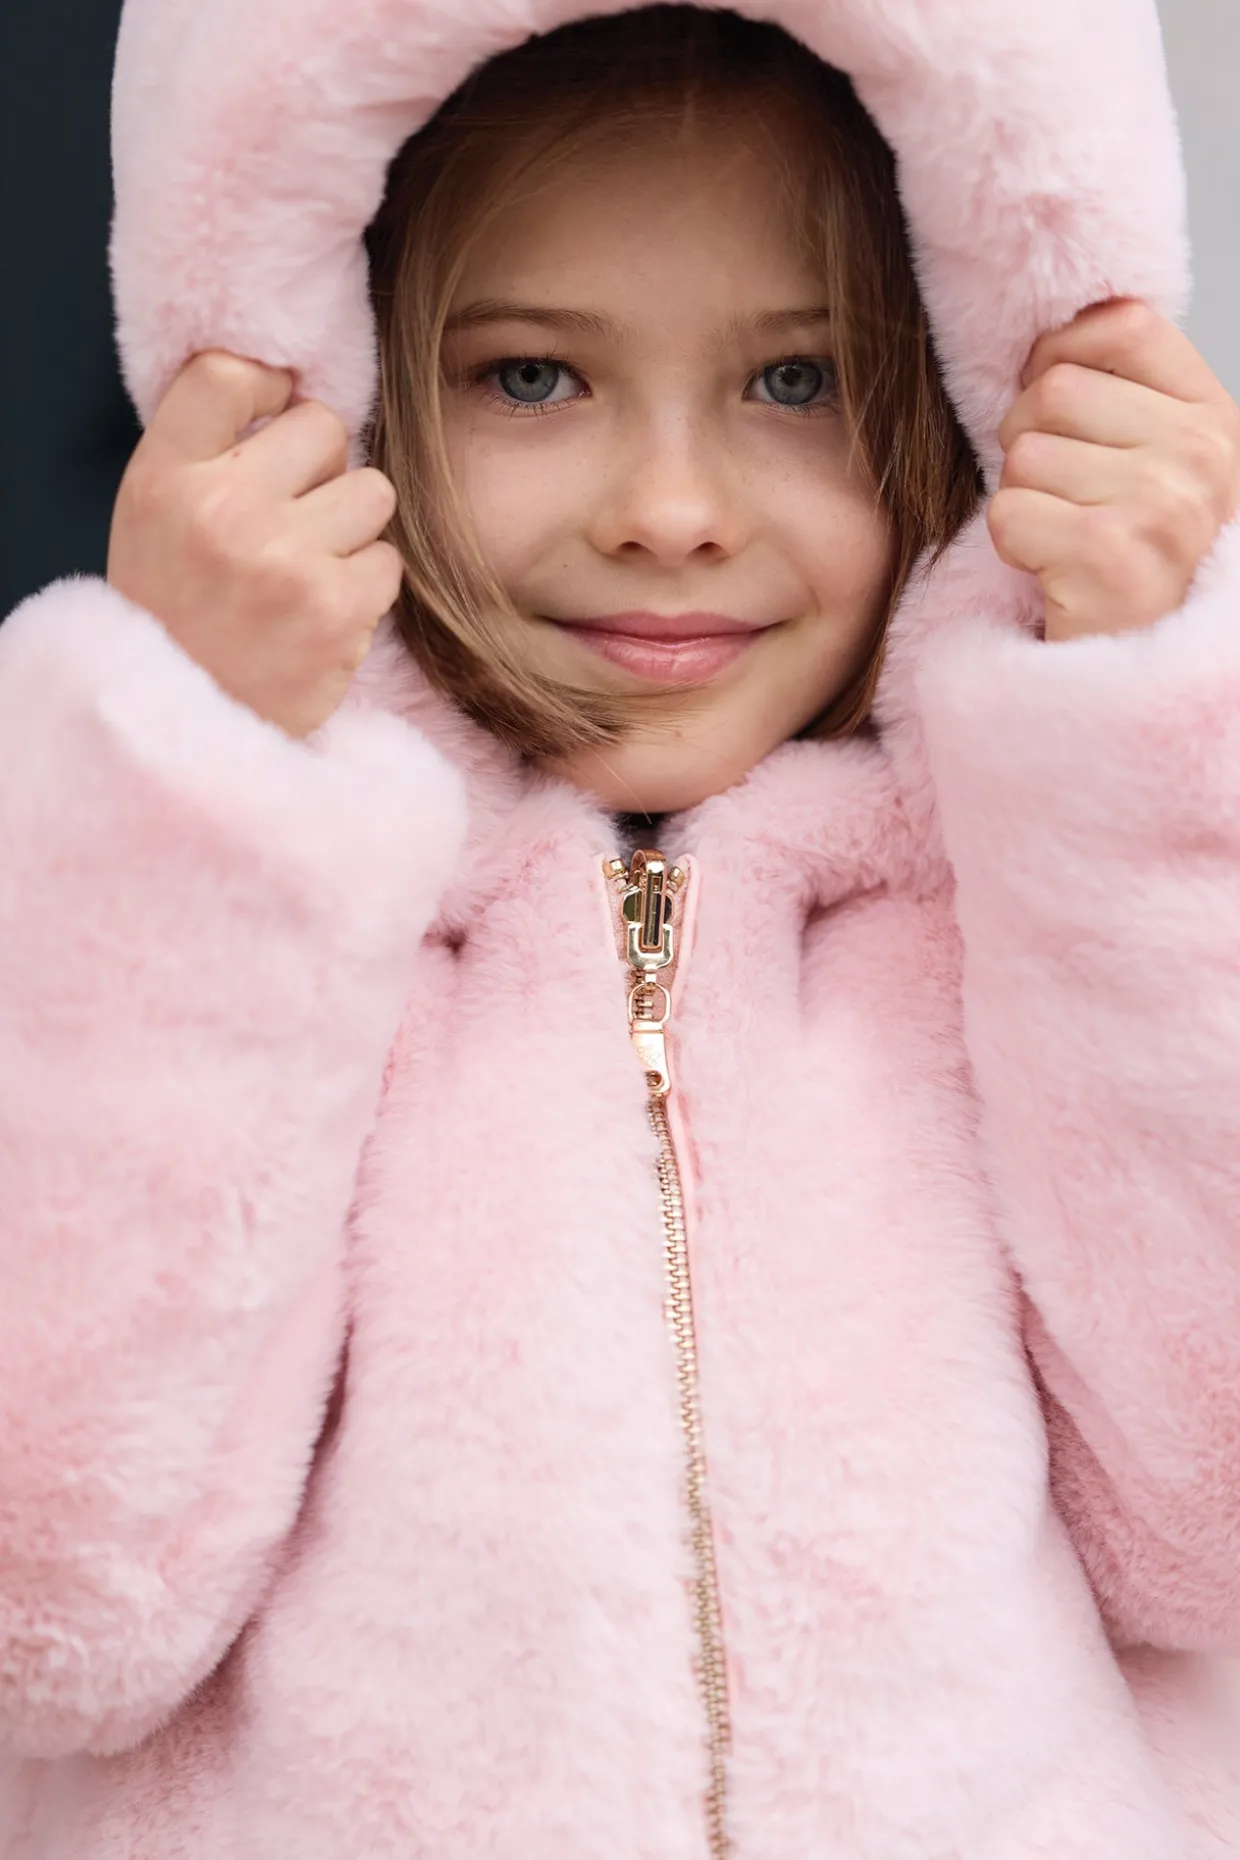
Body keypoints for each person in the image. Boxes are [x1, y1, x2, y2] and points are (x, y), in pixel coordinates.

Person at [2, 2, 1239, 1854]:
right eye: (530, 377)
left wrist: (1145, 758)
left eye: (799, 378)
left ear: (977, 400)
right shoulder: (174, 903)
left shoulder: (1051, 923)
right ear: (315, 399)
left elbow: (1212, 1535)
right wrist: (201, 798)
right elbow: (50, 1617)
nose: (672, 513)